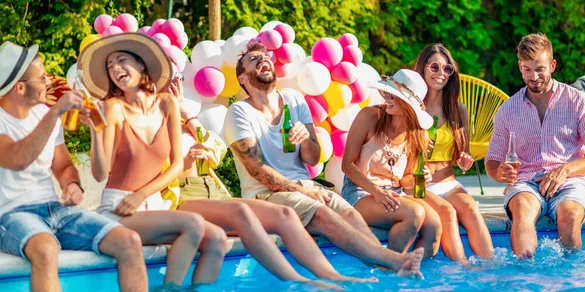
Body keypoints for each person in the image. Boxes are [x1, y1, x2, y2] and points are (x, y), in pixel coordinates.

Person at [224, 42, 424, 276]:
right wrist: (304, 192)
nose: (262, 60)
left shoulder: (294, 100)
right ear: (243, 79)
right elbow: (257, 170)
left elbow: (313, 157)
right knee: (321, 213)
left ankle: (383, 269)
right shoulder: (238, 112)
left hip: (305, 185)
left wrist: (305, 140)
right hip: (265, 194)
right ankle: (396, 261)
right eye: (253, 60)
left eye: (265, 57)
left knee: (349, 213)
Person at [168, 66, 375, 283]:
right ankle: (312, 280)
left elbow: (215, 150)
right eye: (170, 79)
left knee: (345, 213)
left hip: (216, 192)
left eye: (179, 78)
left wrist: (188, 117)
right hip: (186, 194)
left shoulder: (185, 121)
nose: (176, 85)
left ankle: (377, 265)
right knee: (256, 216)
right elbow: (174, 165)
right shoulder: (166, 120)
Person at [0, 41, 148, 292]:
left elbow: (64, 166)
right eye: (43, 77)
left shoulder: (43, 115)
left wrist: (72, 184)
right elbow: (17, 158)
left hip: (56, 210)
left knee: (129, 241)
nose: (49, 81)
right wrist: (56, 111)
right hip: (11, 214)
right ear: (20, 87)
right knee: (46, 249)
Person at [79, 33, 218, 286]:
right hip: (119, 208)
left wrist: (141, 195)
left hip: (152, 204)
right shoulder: (113, 108)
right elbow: (100, 173)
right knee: (194, 225)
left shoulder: (167, 103)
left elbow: (177, 165)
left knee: (217, 240)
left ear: (141, 64)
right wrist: (94, 130)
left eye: (122, 60)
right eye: (110, 67)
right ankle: (170, 290)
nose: (116, 69)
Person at [485, 33, 585, 258]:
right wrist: (499, 172)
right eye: (527, 69)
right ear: (519, 66)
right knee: (521, 209)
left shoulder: (577, 101)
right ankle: (527, 275)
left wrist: (564, 170)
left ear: (552, 65)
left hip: (570, 182)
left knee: (570, 215)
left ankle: (568, 276)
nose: (534, 76)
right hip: (526, 182)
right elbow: (492, 160)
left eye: (540, 68)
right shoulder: (507, 110)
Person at [340, 69, 443, 258]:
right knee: (414, 214)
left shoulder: (419, 133)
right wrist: (376, 192)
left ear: (409, 105)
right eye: (388, 93)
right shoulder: (370, 116)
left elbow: (404, 181)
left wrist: (420, 178)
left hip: (395, 194)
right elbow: (347, 165)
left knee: (434, 225)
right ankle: (388, 269)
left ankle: (415, 279)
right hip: (361, 192)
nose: (388, 98)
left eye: (394, 96)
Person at [414, 44, 494, 259]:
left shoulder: (458, 110)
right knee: (448, 213)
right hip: (418, 184)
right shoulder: (411, 108)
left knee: (470, 208)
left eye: (447, 69)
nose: (441, 74)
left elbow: (462, 154)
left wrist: (464, 161)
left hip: (448, 183)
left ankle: (492, 268)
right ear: (422, 69)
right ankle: (463, 272)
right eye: (434, 67)